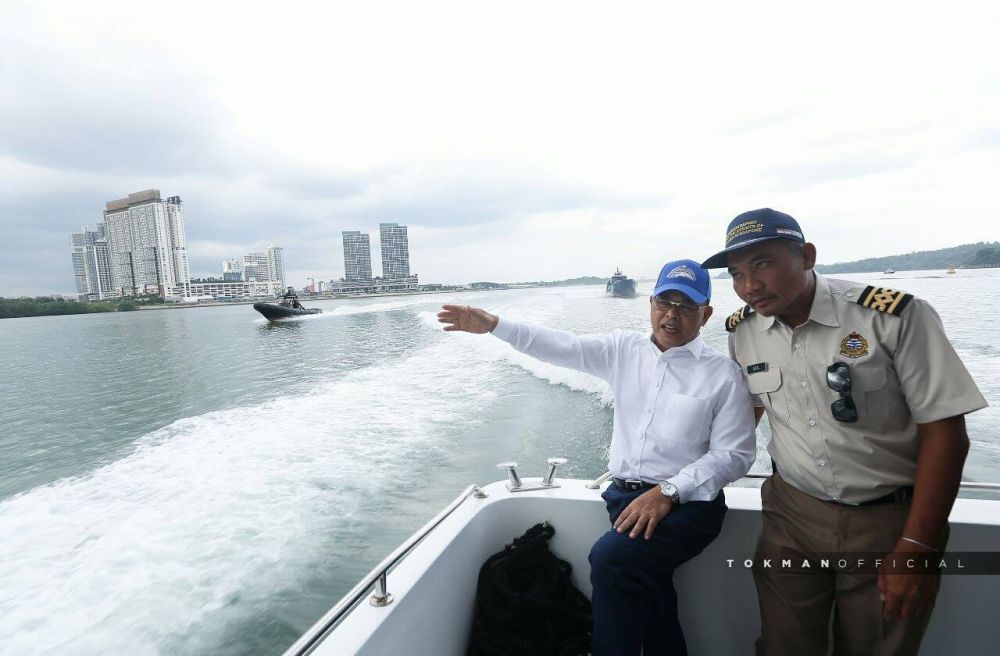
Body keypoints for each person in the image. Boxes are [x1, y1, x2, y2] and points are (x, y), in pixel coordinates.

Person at [701, 208, 988, 655]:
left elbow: (946, 431)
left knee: (877, 647)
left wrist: (918, 546)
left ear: (808, 256)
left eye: (763, 264)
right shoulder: (744, 332)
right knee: (783, 646)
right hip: (790, 517)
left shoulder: (892, 318)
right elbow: (748, 416)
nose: (748, 286)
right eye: (736, 273)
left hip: (888, 521)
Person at [437, 259, 756, 655]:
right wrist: (496, 325)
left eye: (687, 306)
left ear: (705, 314)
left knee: (610, 559)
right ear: (650, 303)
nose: (672, 314)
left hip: (690, 507)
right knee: (654, 597)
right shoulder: (622, 350)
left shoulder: (722, 374)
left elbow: (735, 455)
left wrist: (668, 491)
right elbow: (562, 346)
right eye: (664, 301)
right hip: (623, 500)